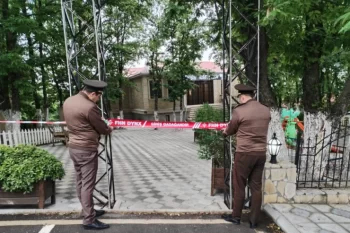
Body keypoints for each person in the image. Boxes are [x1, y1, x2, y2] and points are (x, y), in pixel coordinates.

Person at [63, 79, 113, 230]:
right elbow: (102, 128)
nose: (98, 99)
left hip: (74, 147)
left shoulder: (69, 101)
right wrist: (109, 128)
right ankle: (89, 219)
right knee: (88, 185)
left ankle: (87, 210)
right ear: (92, 93)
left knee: (80, 181)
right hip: (86, 149)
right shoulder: (90, 107)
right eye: (98, 96)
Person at [222, 84, 271, 229]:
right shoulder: (265, 110)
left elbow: (231, 129)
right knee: (256, 187)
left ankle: (236, 216)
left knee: (239, 184)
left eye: (240, 98)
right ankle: (254, 220)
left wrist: (225, 132)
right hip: (260, 153)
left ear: (243, 97)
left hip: (244, 154)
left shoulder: (239, 111)